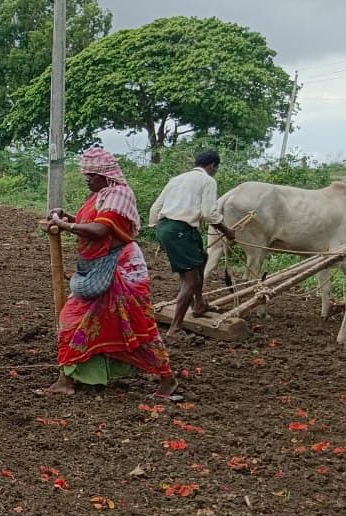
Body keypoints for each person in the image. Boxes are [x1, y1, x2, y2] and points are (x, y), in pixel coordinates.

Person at [36, 148, 180, 401]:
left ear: (105, 175)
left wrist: (66, 225)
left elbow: (100, 229)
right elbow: (90, 222)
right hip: (98, 267)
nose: (87, 179)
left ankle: (167, 378)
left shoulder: (118, 196)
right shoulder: (102, 195)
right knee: (74, 319)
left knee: (135, 324)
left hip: (123, 270)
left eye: (91, 175)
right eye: (86, 174)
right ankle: (68, 378)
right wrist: (66, 216)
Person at [148, 149, 235, 336]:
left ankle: (199, 304)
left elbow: (156, 207)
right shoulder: (208, 181)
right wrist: (228, 232)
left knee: (202, 259)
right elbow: (209, 214)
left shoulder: (176, 179)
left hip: (171, 228)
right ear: (212, 165)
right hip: (180, 230)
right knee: (191, 279)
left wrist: (159, 232)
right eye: (215, 168)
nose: (215, 172)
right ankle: (175, 328)